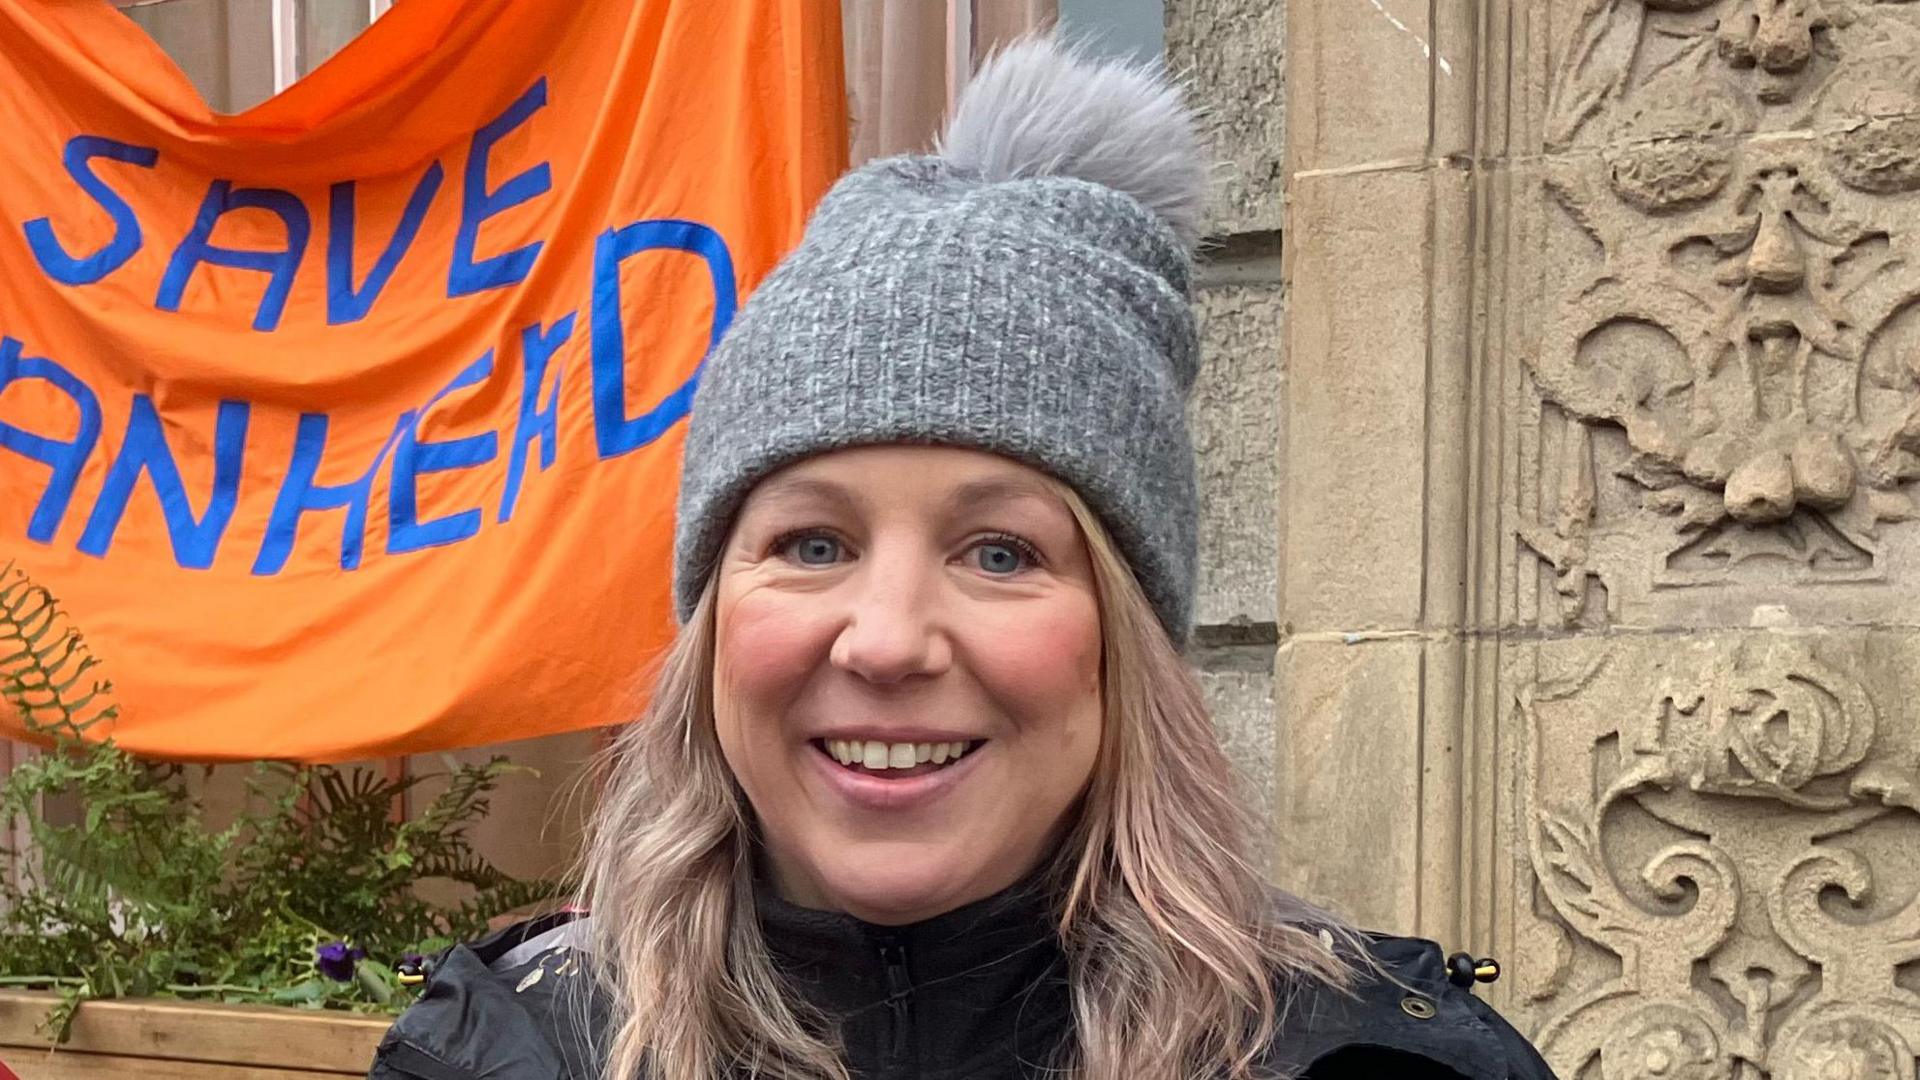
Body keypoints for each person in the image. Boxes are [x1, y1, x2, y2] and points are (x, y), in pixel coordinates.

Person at [369, 38, 1557, 1080]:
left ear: (1123, 641)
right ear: (713, 619)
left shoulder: (1380, 1060)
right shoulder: (504, 1051)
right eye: (812, 542)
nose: (886, 640)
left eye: (999, 552)